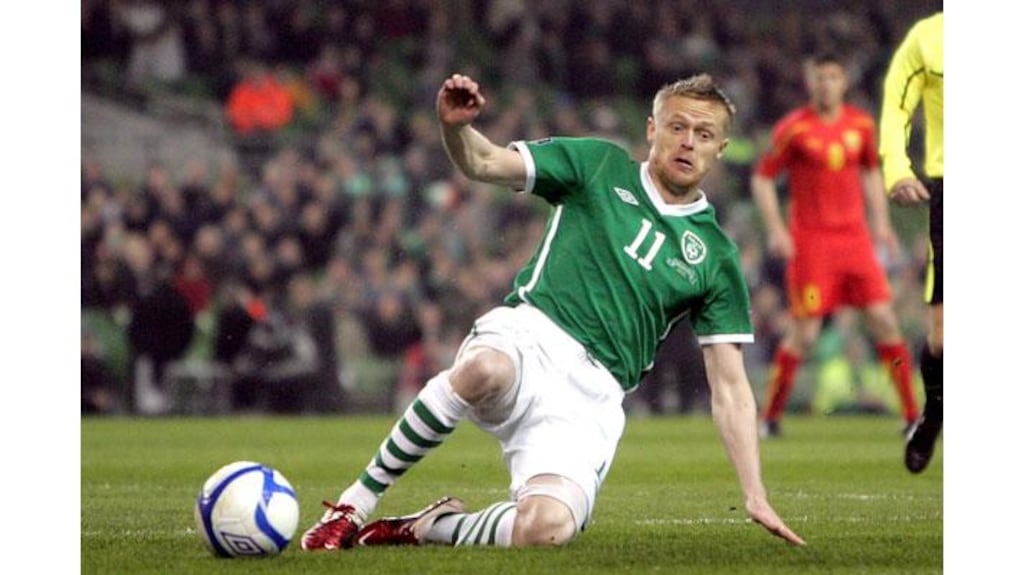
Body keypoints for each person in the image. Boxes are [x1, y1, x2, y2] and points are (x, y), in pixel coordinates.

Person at [300, 72, 805, 551]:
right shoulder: (597, 164)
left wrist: (755, 492)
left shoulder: (716, 256)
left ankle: (431, 527)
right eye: (677, 127)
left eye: (703, 134)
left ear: (721, 149)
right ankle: (352, 505)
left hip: (593, 396)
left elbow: (731, 387)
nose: (688, 142)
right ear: (652, 130)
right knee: (482, 368)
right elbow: (485, 162)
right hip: (530, 335)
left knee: (546, 528)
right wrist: (456, 129)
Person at [751, 53, 920, 438]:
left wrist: (881, 224)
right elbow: (763, 178)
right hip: (812, 247)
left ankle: (911, 415)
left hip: (855, 243)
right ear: (809, 82)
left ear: (844, 82)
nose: (826, 84)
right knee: (806, 332)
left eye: (832, 76)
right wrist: (776, 229)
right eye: (819, 77)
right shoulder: (794, 128)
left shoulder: (861, 125)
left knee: (884, 320)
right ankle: (769, 417)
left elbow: (871, 173)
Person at [878, 12, 943, 474]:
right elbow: (897, 107)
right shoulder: (928, 38)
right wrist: (897, 169)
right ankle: (934, 414)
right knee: (944, 341)